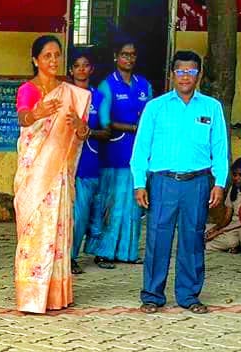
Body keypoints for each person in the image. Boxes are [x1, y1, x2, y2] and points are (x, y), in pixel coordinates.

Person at [132, 49, 226, 314]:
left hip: (197, 183)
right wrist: (140, 183)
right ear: (172, 74)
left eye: (191, 71)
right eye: (181, 71)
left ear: (199, 74)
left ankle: (189, 295)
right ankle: (152, 295)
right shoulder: (155, 107)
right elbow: (140, 149)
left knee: (193, 239)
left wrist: (219, 182)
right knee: (157, 239)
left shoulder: (211, 107)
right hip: (162, 183)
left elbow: (219, 147)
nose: (186, 76)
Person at [13, 35, 91, 314]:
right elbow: (23, 117)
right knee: (34, 231)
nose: (53, 60)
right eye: (47, 55)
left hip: (59, 176)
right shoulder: (28, 89)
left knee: (58, 233)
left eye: (57, 55)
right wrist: (36, 113)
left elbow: (82, 134)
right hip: (35, 175)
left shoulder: (71, 93)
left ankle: (56, 295)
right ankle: (31, 296)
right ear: (35, 60)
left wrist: (80, 125)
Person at [89, 41, 152, 268]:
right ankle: (103, 252)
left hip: (137, 157)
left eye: (132, 54)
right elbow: (105, 123)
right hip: (114, 154)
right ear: (116, 56)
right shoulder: (107, 85)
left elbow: (150, 119)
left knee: (133, 206)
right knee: (111, 204)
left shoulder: (144, 85)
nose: (129, 58)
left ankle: (127, 252)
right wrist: (133, 128)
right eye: (124, 54)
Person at [68, 49, 109, 274]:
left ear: (91, 69)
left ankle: (96, 252)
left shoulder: (98, 97)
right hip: (73, 165)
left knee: (97, 211)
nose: (81, 69)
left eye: (86, 65)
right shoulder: (64, 95)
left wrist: (85, 131)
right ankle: (70, 257)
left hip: (94, 161)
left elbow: (106, 131)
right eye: (77, 65)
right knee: (77, 214)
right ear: (71, 70)